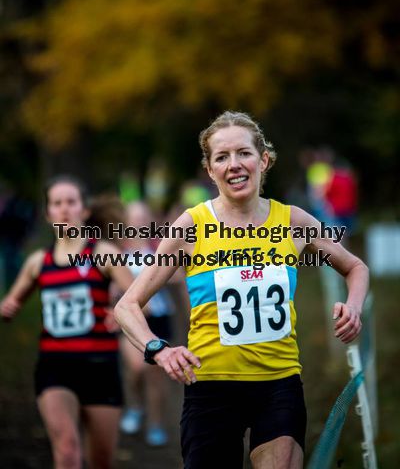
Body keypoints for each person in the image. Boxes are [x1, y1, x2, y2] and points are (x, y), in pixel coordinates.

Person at [115, 111, 369, 469]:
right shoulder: (191, 226)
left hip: (279, 383)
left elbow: (355, 266)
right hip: (210, 387)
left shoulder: (294, 222)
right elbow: (127, 305)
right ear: (210, 170)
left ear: (263, 160)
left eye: (243, 153)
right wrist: (158, 349)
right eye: (222, 157)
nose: (234, 164)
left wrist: (354, 307)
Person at [0, 176, 133, 469]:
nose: (64, 210)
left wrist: (120, 313)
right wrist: (9, 306)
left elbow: (139, 302)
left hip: (101, 366)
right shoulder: (39, 261)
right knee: (67, 449)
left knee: (101, 461)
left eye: (71, 202)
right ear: (48, 214)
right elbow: (11, 303)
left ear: (84, 210)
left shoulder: (104, 254)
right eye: (56, 203)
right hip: (55, 366)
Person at [119, 201, 182, 446]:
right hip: (132, 319)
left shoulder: (159, 248)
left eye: (143, 218)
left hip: (160, 318)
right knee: (136, 368)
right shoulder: (119, 251)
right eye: (134, 218)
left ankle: (155, 425)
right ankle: (135, 407)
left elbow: (177, 276)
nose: (139, 223)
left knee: (157, 376)